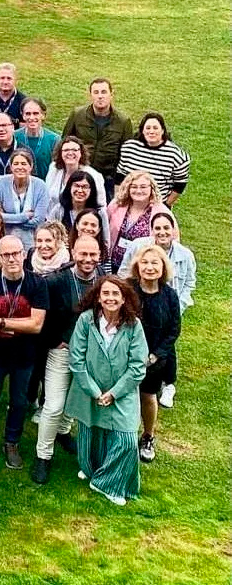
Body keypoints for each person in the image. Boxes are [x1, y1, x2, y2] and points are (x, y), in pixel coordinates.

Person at [65, 277, 148, 506]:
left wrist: (114, 393)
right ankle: (91, 470)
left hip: (122, 393)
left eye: (115, 294)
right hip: (88, 391)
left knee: (126, 440)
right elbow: (77, 359)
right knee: (91, 434)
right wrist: (94, 391)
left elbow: (138, 366)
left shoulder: (134, 326)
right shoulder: (85, 321)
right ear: (98, 297)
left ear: (124, 299)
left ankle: (107, 484)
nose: (110, 298)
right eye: (106, 294)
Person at [30, 233, 102, 485]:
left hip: (91, 354)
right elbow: (41, 316)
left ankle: (63, 432)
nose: (88, 259)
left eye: (93, 254)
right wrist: (54, 340)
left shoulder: (104, 281)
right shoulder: (55, 281)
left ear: (100, 254)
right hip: (61, 351)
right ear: (73, 253)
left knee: (76, 399)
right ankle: (43, 455)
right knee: (54, 404)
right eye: (83, 253)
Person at [0, 236, 49, 471]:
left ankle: (12, 442)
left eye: (16, 253)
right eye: (6, 255)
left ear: (24, 254)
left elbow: (37, 325)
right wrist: (17, 323)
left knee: (19, 401)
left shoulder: (37, 283)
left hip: (24, 355)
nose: (12, 258)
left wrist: (1, 322)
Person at [128, 246, 179, 465]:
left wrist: (156, 355)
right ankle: (122, 435)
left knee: (147, 396)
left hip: (154, 359)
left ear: (163, 268)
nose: (149, 267)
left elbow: (173, 330)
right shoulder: (128, 289)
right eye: (145, 262)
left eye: (154, 263)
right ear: (137, 266)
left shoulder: (169, 295)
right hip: (126, 355)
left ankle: (147, 436)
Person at [61, 77, 133, 194]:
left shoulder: (123, 121)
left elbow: (127, 153)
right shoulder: (77, 115)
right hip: (81, 174)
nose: (100, 96)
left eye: (104, 92)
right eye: (96, 92)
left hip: (108, 179)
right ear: (90, 95)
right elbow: (65, 142)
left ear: (111, 94)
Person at [117, 211, 195, 315]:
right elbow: (123, 273)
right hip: (138, 304)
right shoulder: (137, 246)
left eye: (166, 228)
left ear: (173, 230)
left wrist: (178, 307)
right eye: (157, 228)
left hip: (169, 307)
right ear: (152, 231)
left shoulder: (186, 255)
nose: (162, 232)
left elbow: (189, 283)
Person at [115, 112, 190, 207]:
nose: (151, 131)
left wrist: (166, 205)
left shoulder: (177, 155)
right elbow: (120, 176)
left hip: (156, 205)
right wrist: (118, 199)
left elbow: (180, 184)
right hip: (129, 204)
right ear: (142, 130)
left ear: (162, 130)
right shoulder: (129, 148)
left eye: (155, 128)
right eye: (148, 128)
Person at [106, 170, 169, 272]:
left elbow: (172, 239)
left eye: (143, 187)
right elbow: (104, 227)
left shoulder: (161, 211)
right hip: (113, 262)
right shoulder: (116, 205)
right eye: (134, 187)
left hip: (142, 268)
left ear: (151, 188)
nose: (138, 191)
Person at [0, 148, 49, 249]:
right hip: (5, 238)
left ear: (31, 167)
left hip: (33, 241)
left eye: (23, 163)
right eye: (16, 164)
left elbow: (38, 221)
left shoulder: (41, 186)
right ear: (11, 167)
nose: (20, 167)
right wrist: (24, 216)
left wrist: (6, 217)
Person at [45, 135, 108, 212]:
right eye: (66, 150)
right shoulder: (54, 169)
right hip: (53, 218)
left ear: (81, 153)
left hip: (82, 220)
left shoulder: (94, 175)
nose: (70, 153)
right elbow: (47, 196)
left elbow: (101, 206)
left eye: (74, 150)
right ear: (60, 153)